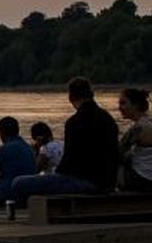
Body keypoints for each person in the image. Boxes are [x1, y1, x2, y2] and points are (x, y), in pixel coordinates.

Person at [9, 77, 119, 207]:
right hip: (107, 183)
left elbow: (68, 164)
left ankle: (28, 212)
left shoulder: (74, 122)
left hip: (85, 182)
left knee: (18, 183)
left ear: (71, 98)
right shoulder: (108, 119)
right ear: (91, 94)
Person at [116, 87, 152, 192]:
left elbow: (117, 152)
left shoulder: (140, 127)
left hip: (148, 181)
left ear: (135, 105)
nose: (119, 108)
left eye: (123, 103)